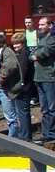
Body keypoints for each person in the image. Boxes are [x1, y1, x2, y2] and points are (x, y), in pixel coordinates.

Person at [31, 16, 55, 144]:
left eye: (42, 25)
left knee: (52, 107)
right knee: (44, 108)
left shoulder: (52, 39)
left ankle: (52, 134)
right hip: (39, 77)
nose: (39, 27)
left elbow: (44, 52)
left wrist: (37, 54)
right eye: (39, 25)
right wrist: (35, 55)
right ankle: (45, 134)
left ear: (50, 26)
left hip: (49, 77)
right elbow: (32, 54)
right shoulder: (42, 39)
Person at [10, 32, 34, 141]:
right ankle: (24, 135)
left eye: (17, 44)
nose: (15, 46)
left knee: (22, 112)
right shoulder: (21, 53)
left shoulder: (23, 54)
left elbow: (23, 69)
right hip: (24, 86)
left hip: (23, 88)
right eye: (14, 44)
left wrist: (20, 82)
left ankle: (24, 136)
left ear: (23, 44)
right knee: (22, 112)